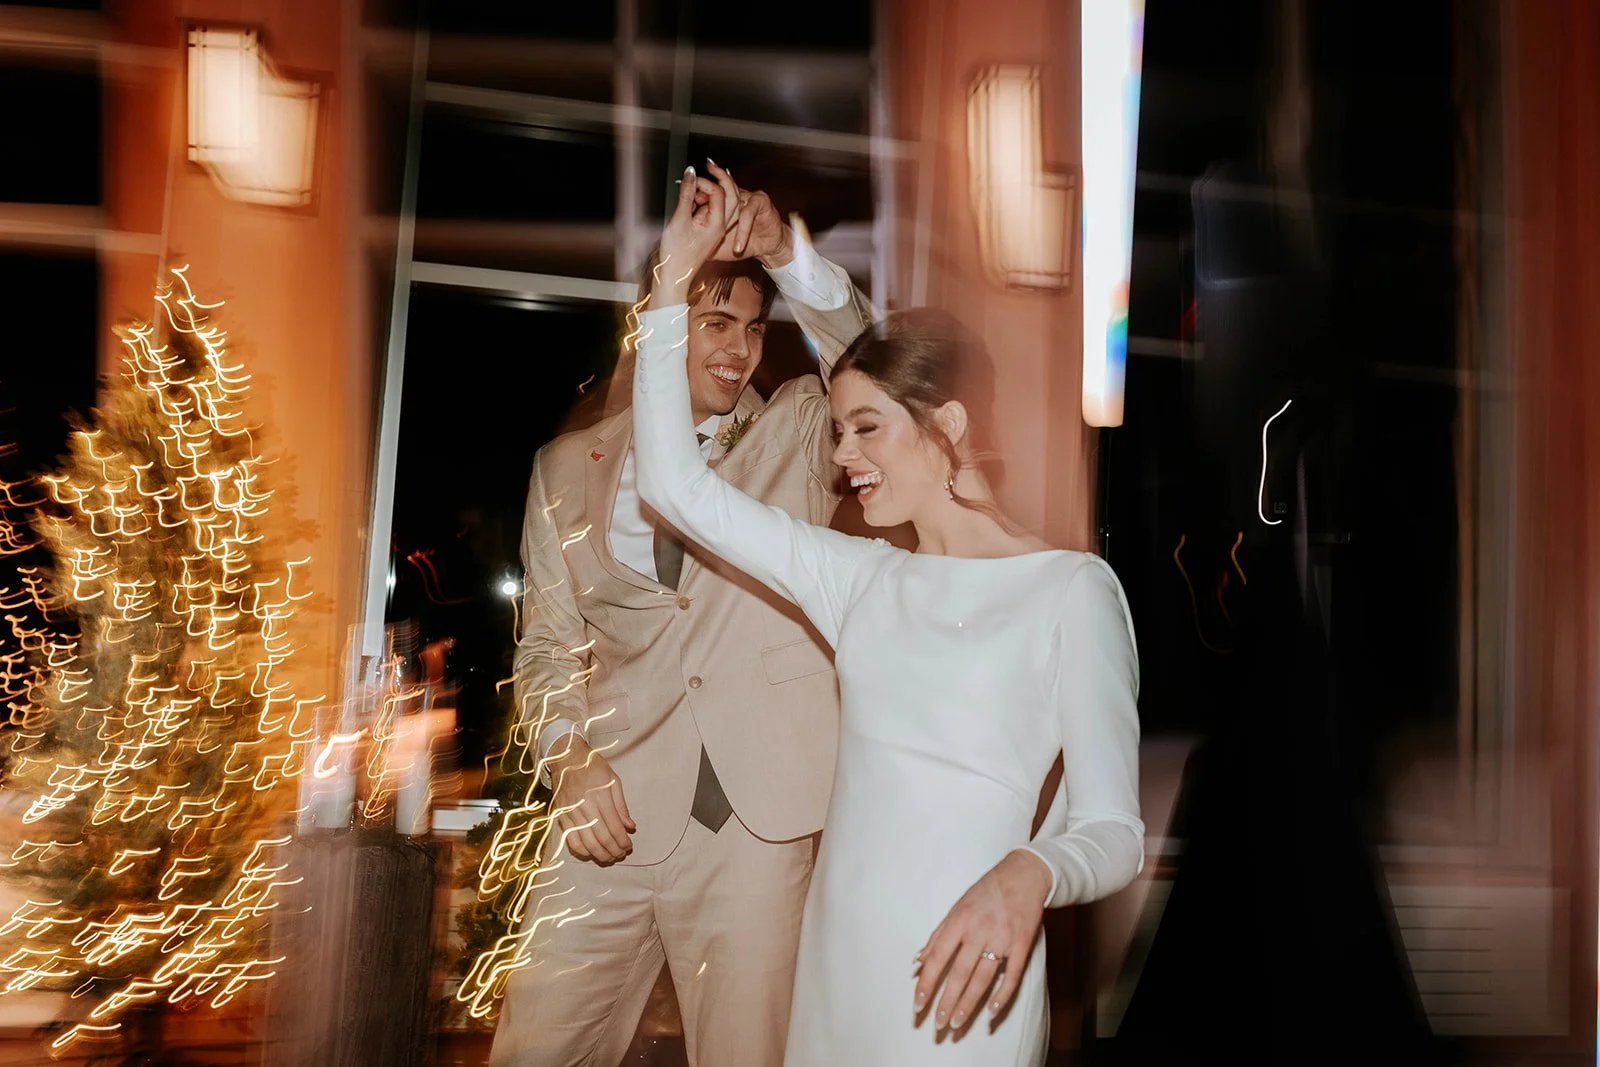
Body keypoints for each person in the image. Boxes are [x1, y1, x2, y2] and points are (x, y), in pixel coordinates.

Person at [630, 164, 1145, 1065]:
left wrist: (1032, 869)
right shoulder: (859, 578)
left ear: (948, 424)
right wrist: (673, 281)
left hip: (964, 985)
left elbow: (1113, 829)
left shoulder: (1071, 590)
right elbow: (675, 486)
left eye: (867, 427)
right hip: (837, 977)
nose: (843, 455)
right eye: (838, 430)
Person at [485, 173, 874, 1067]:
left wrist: (786, 252)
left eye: (753, 327)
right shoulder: (562, 469)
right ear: (661, 323)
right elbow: (547, 649)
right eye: (716, 322)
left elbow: (871, 366)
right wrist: (568, 758)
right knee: (533, 1048)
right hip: (608, 817)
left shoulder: (799, 429)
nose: (740, 349)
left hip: (757, 822)